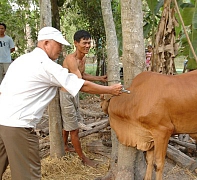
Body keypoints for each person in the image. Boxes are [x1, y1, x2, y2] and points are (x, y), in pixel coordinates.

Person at [0, 26, 122, 180]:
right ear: (46, 43)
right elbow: (80, 84)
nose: (61, 49)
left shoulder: (21, 61)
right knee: (28, 175)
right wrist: (111, 90)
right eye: (59, 45)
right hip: (19, 127)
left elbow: (2, 91)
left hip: (2, 121)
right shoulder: (46, 65)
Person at [60, 30, 107, 167]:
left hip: (74, 94)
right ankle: (83, 159)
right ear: (75, 43)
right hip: (66, 95)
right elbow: (80, 82)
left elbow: (83, 75)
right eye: (84, 43)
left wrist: (100, 79)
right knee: (74, 128)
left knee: (68, 123)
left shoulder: (83, 58)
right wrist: (101, 91)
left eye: (89, 43)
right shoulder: (71, 59)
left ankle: (65, 146)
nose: (87, 46)